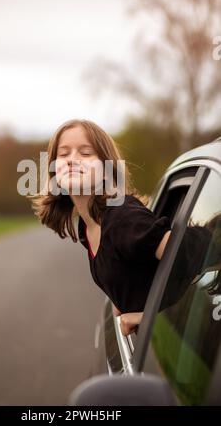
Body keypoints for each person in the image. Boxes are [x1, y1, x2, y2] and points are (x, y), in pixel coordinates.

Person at [28, 119, 172, 336]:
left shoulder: (121, 217)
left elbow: (191, 252)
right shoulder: (88, 228)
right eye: (63, 154)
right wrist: (123, 296)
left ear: (107, 170)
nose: (72, 160)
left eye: (86, 153)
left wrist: (152, 315)